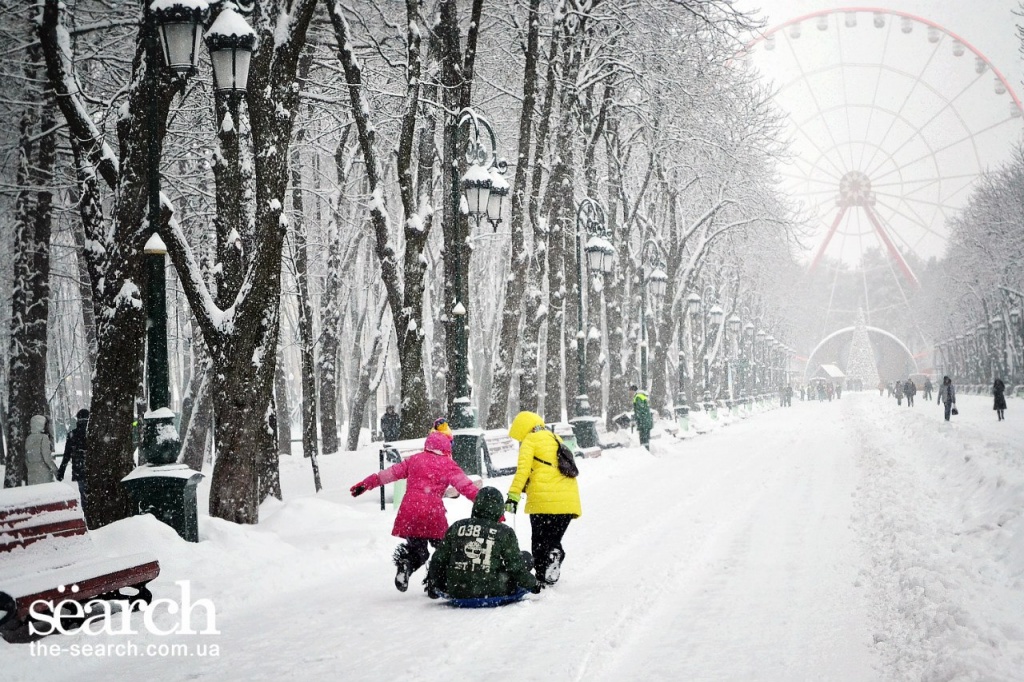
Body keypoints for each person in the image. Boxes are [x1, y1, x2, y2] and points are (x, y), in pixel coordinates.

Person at [350, 429, 480, 592]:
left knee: (419, 551)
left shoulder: (414, 460)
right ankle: (435, 583)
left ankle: (406, 564)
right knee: (444, 550)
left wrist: (366, 483)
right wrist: (486, 505)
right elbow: (466, 487)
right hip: (433, 514)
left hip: (410, 512)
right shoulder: (448, 465)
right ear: (447, 448)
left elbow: (388, 474)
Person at [504, 411, 582, 587]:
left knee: (539, 540)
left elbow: (523, 471)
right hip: (568, 500)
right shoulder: (556, 438)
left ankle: (541, 575)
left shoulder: (531, 441)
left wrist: (513, 496)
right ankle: (555, 555)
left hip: (543, 501)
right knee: (553, 539)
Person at [425, 486, 540, 601]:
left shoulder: (456, 527)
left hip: (457, 589)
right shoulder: (504, 532)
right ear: (499, 508)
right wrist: (534, 585)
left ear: (476, 505)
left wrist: (436, 584)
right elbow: (516, 568)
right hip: (493, 589)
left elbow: (438, 560)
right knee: (525, 558)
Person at [57, 409, 89, 499]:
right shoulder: (93, 433)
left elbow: (66, 455)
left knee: (84, 495)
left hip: (79, 469)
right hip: (93, 469)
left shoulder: (72, 434)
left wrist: (61, 472)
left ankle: (86, 511)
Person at [24, 414, 57, 485]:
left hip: (31, 475)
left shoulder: (28, 438)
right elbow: (47, 458)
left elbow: (26, 458)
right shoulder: (43, 438)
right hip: (43, 474)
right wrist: (56, 471)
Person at [630, 385, 653, 450]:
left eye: (630, 392)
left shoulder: (637, 397)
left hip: (643, 422)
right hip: (646, 420)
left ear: (633, 391)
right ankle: (646, 451)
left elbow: (640, 410)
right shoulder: (642, 396)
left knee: (643, 438)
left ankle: (645, 452)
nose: (630, 393)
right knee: (646, 438)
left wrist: (637, 418)